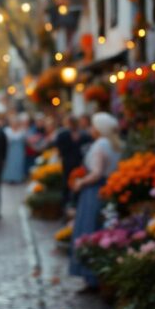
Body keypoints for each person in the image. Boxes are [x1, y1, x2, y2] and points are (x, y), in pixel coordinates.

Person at [69, 112, 122, 293]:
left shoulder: (101, 144)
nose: (90, 129)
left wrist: (80, 182)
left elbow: (97, 172)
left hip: (94, 191)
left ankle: (90, 276)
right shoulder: (115, 144)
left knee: (90, 230)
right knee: (103, 230)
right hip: (109, 189)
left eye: (92, 126)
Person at [55, 115, 89, 208]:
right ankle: (71, 204)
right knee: (71, 184)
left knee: (69, 184)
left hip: (71, 163)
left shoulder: (64, 134)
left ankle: (69, 205)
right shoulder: (82, 134)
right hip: (76, 163)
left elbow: (58, 148)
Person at [1, 115, 28, 184]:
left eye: (16, 122)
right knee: (9, 164)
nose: (14, 124)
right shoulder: (7, 130)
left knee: (18, 164)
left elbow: (25, 141)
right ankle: (9, 178)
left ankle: (17, 178)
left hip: (19, 151)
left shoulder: (22, 131)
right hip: (10, 150)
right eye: (13, 122)